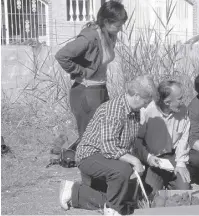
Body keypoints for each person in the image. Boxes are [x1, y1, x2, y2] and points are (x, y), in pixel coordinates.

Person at [58, 75, 161, 215]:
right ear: (136, 96)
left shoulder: (134, 111)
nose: (146, 105)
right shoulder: (114, 110)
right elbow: (109, 148)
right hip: (90, 155)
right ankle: (113, 209)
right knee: (122, 171)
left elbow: (131, 143)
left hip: (106, 157)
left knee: (128, 196)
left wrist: (147, 158)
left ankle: (75, 191)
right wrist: (134, 160)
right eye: (145, 101)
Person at [55, 1, 128, 151]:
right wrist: (81, 72)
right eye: (118, 25)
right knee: (90, 138)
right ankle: (88, 171)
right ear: (107, 21)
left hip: (100, 88)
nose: (120, 29)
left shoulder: (108, 35)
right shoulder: (89, 37)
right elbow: (62, 55)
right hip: (86, 91)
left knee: (104, 132)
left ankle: (98, 169)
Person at [134, 80, 191, 196]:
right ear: (167, 102)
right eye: (179, 99)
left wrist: (181, 163)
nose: (182, 102)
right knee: (151, 195)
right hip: (153, 161)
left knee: (185, 193)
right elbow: (137, 141)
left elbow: (183, 139)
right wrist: (148, 157)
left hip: (174, 158)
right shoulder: (146, 111)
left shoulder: (183, 111)